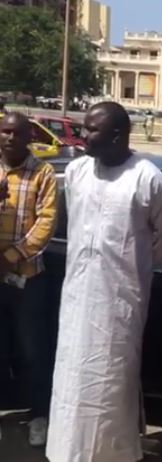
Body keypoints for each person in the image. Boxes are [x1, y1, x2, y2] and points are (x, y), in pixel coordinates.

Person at [46, 102, 162, 462]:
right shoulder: (76, 172)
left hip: (119, 302)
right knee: (71, 379)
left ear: (118, 135)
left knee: (109, 382)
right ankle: (67, 452)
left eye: (92, 130)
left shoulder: (149, 179)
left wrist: (127, 269)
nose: (84, 136)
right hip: (76, 297)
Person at [0, 112, 58, 446]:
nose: (9, 138)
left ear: (28, 138)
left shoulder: (43, 173)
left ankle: (39, 416)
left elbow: (46, 225)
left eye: (16, 133)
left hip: (27, 279)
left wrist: (8, 257)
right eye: (4, 132)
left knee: (32, 351)